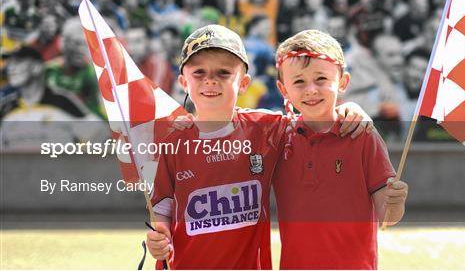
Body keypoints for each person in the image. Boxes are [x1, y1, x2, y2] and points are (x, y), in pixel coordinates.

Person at [145, 25, 370, 269]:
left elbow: (314, 118)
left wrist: (349, 109)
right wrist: (159, 235)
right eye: (199, 72)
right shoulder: (174, 141)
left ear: (243, 83)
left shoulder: (266, 129)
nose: (210, 80)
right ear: (183, 82)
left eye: (223, 72)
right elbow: (162, 205)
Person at [273, 29, 408, 269]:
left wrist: (395, 202)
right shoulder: (277, 138)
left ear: (343, 82)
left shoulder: (363, 135)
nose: (311, 90)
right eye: (299, 82)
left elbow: (388, 217)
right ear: (284, 90)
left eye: (321, 79)